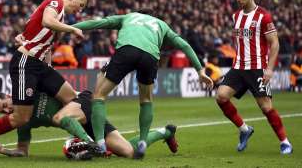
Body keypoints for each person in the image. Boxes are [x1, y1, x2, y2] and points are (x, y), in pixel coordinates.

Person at [0, 0, 92, 158]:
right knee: (21, 118)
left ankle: (84, 142)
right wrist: (72, 29)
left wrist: (47, 66)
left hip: (39, 65)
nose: (80, 10)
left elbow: (40, 38)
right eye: (81, 5)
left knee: (72, 98)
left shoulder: (60, 14)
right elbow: (46, 21)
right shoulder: (56, 2)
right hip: (25, 63)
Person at [72, 9, 214, 158]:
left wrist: (69, 26)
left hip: (127, 50)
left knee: (99, 96)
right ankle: (143, 142)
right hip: (150, 56)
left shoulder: (129, 17)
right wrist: (200, 71)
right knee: (146, 100)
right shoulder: (162, 24)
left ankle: (100, 144)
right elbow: (184, 45)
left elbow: (98, 23)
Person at [215, 0, 292, 154]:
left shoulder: (264, 16)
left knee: (266, 107)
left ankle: (285, 142)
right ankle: (244, 130)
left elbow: (275, 44)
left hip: (257, 67)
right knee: (221, 96)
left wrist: (270, 68)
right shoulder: (236, 16)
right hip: (238, 67)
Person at [0, 90, 178, 159]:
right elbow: (23, 151)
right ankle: (165, 132)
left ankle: (88, 143)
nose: (5, 111)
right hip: (79, 122)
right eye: (1, 111)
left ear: (9, 95)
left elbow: (46, 67)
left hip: (83, 103)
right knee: (129, 152)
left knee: (59, 118)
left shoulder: (30, 90)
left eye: (4, 105)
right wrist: (5, 150)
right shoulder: (22, 121)